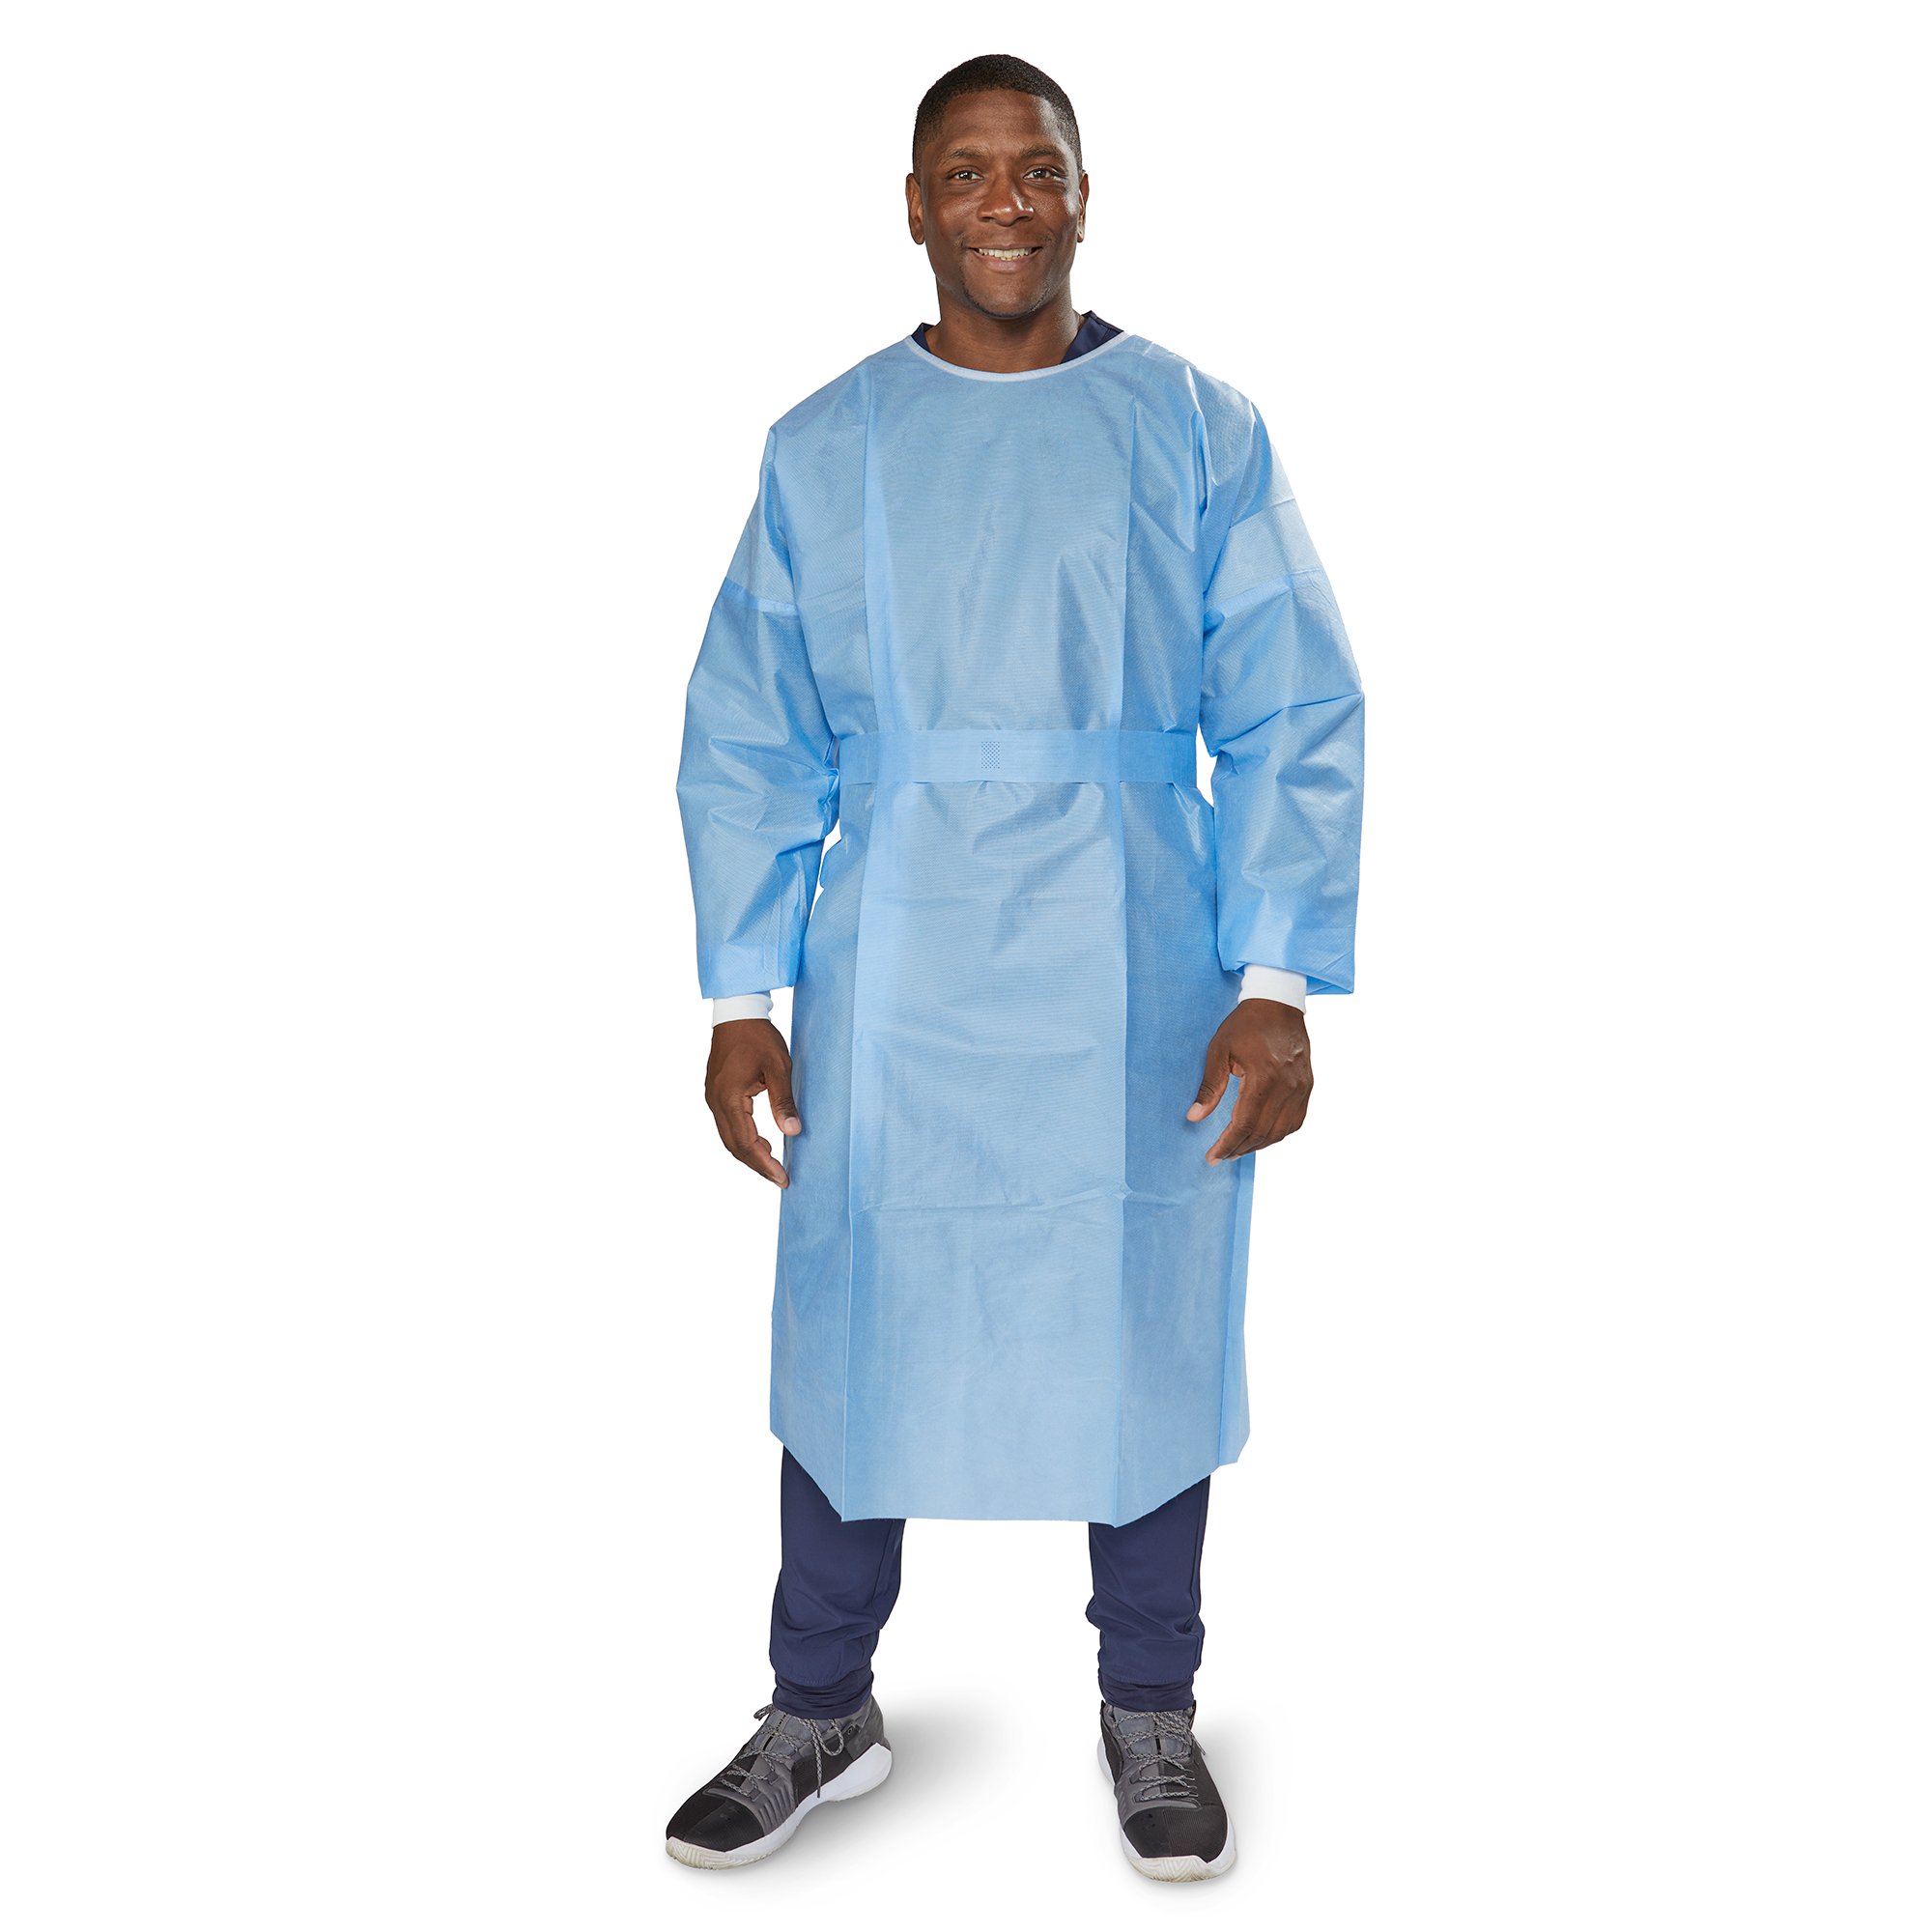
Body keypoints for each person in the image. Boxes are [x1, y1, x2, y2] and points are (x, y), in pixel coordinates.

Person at [668, 53, 1364, 1882]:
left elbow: (1289, 701)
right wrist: (741, 998)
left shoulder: (1192, 427)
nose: (1003, 202)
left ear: (1081, 195)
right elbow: (749, 729)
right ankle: (819, 1702)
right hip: (895, 961)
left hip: (1132, 950)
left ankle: (1151, 1704)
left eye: (1035, 168)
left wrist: (1278, 978)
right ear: (914, 206)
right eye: (966, 172)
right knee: (863, 1313)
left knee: (1138, 1310)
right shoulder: (828, 447)